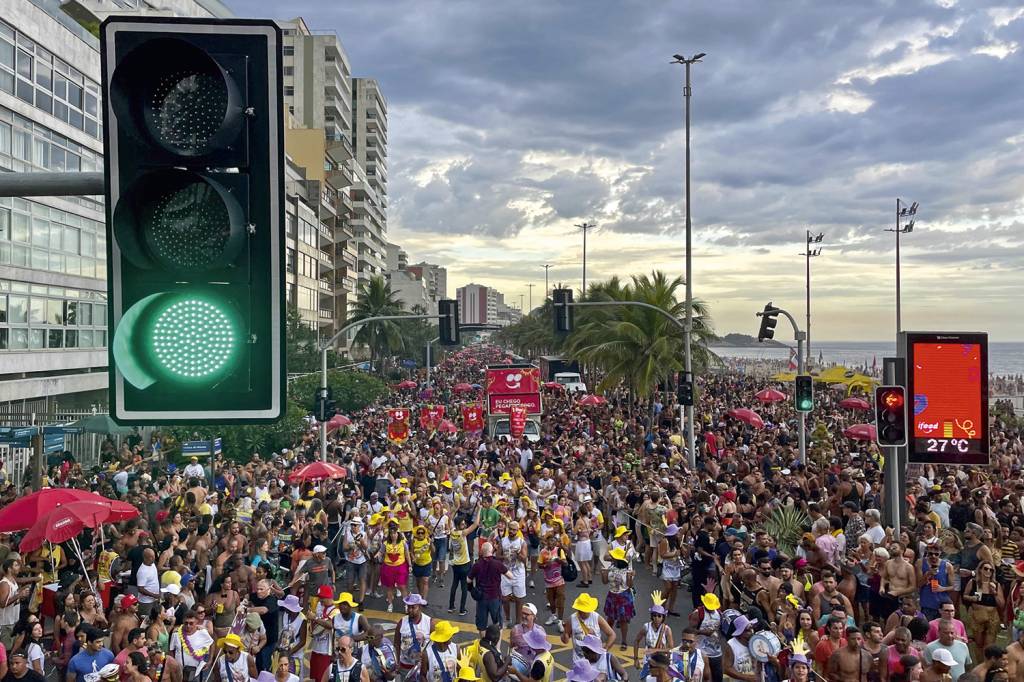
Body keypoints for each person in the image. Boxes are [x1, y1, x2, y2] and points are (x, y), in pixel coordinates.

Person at [468, 543, 511, 636]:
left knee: (482, 624)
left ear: (481, 551)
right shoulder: (497, 564)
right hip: (495, 597)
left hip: (481, 598)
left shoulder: (477, 565)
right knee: (498, 623)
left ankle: (484, 645)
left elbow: (468, 580)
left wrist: (471, 589)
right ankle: (497, 647)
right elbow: (510, 576)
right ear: (491, 551)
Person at [561, 594, 615, 664]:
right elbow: (565, 640)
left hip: (596, 660)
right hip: (579, 661)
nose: (581, 613)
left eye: (583, 611)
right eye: (579, 610)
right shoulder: (572, 619)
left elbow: (612, 635)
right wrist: (565, 635)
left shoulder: (596, 617)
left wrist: (605, 649)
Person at [601, 548, 634, 650]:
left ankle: (624, 641)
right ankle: (609, 638)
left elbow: (630, 585)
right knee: (610, 619)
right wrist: (604, 574)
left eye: (613, 557)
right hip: (612, 596)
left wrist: (630, 577)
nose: (611, 558)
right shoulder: (611, 567)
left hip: (624, 596)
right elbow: (605, 582)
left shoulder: (628, 570)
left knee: (623, 621)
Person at [395, 594, 431, 678]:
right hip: (405, 667)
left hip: (423, 667)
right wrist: (397, 662)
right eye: (408, 607)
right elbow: (396, 644)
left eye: (413, 607)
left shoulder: (429, 622)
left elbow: (434, 644)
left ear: (420, 607)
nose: (410, 610)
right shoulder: (402, 622)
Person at [634, 604, 672, 678]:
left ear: (663, 617)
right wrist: (636, 659)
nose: (656, 618)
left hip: (662, 660)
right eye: (654, 615)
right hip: (648, 659)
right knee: (645, 677)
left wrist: (655, 650)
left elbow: (671, 648)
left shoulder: (667, 629)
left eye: (659, 616)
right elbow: (636, 641)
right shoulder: (646, 627)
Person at [722, 615, 759, 682]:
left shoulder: (755, 641)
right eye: (748, 630)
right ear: (740, 633)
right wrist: (747, 678)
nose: (752, 631)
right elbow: (726, 668)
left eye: (752, 628)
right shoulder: (731, 645)